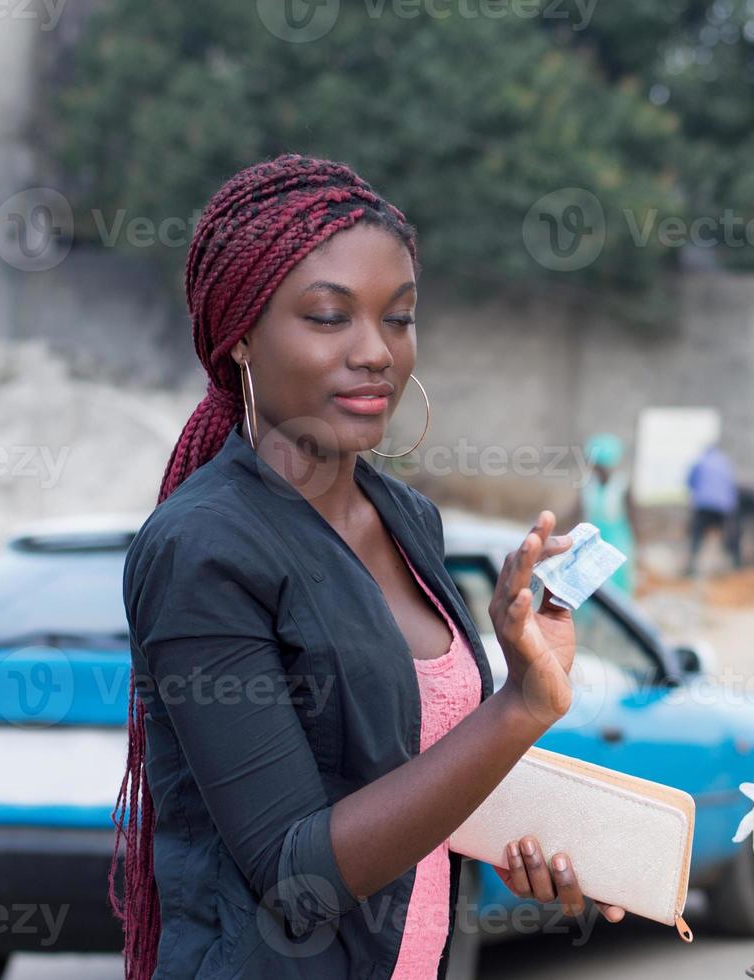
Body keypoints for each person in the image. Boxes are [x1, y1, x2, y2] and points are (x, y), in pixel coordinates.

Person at [111, 155, 623, 980]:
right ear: (240, 334)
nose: (376, 352)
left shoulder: (406, 516)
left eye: (399, 318)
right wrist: (520, 711)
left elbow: (406, 774)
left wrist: (547, 833)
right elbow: (296, 876)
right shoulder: (203, 550)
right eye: (328, 317)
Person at [576, 433, 636, 595]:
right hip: (591, 540)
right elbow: (577, 512)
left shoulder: (621, 485)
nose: (596, 468)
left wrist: (637, 545)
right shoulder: (588, 484)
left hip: (617, 541)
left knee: (616, 585)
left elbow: (632, 516)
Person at [684, 441, 739, 576]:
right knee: (724, 536)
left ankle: (692, 566)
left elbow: (690, 481)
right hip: (723, 507)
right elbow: (731, 485)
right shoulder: (724, 462)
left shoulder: (701, 461)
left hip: (704, 504)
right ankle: (729, 566)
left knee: (697, 536)